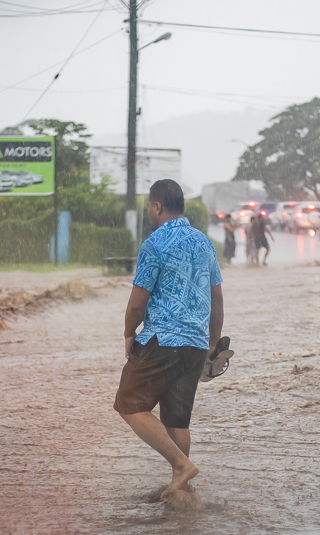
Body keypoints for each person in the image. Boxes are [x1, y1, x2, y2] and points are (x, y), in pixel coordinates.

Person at [114, 179, 225, 499]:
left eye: (149, 206)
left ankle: (181, 467)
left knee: (129, 405)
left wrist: (127, 333)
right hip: (194, 345)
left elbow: (137, 303)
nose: (149, 211)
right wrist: (212, 343)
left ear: (158, 207)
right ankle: (182, 491)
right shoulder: (204, 243)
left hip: (162, 340)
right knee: (177, 418)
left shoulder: (155, 244)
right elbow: (217, 299)